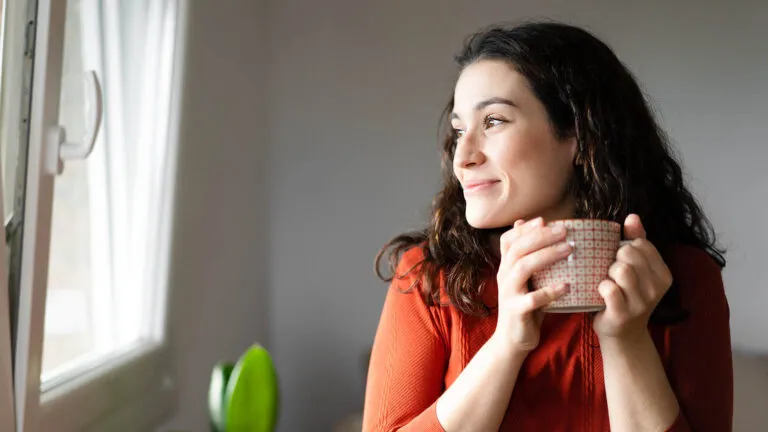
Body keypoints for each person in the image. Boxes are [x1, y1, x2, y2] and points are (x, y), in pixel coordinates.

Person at [362, 22, 732, 432]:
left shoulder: (683, 277)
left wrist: (626, 341)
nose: (462, 156)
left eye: (494, 121)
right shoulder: (427, 278)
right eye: (459, 130)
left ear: (579, 135)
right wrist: (506, 346)